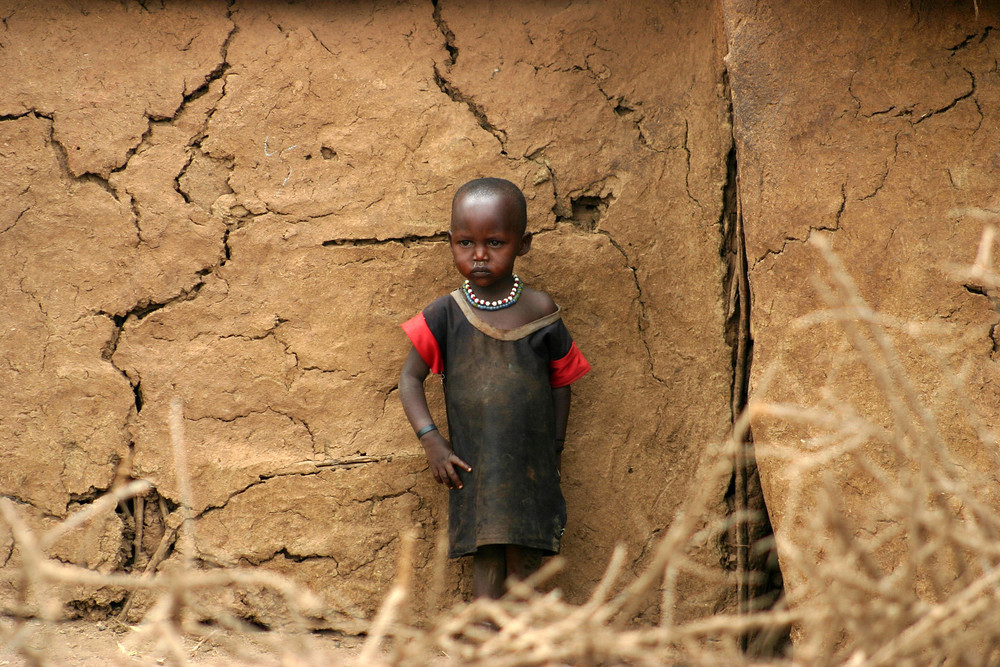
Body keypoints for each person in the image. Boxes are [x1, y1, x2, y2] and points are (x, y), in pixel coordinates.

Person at [398, 177, 590, 599]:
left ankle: (525, 634)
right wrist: (432, 441)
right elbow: (409, 379)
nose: (479, 255)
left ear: (523, 244)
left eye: (496, 243)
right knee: (486, 548)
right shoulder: (445, 314)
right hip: (474, 461)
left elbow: (562, 382)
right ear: (450, 242)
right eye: (465, 243)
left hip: (530, 460)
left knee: (525, 546)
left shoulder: (541, 310)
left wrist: (555, 446)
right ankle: (487, 631)